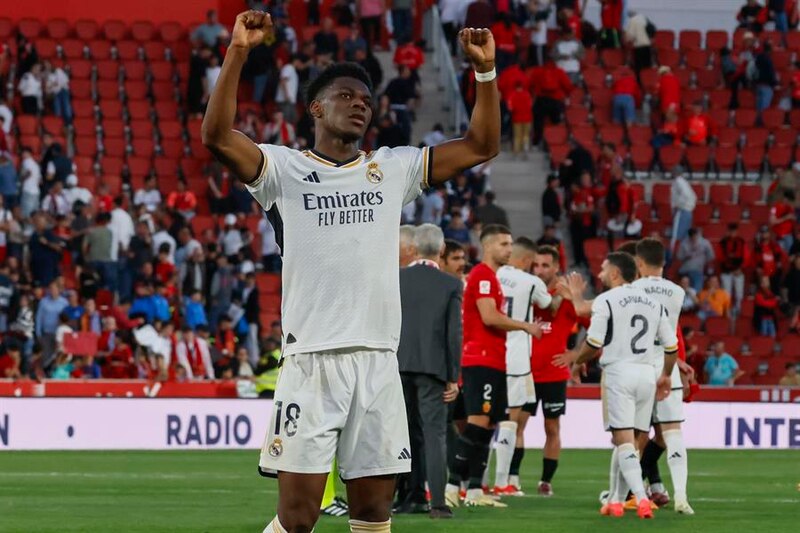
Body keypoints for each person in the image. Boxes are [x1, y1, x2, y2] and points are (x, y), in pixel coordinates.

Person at [200, 11, 501, 532]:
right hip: (310, 361)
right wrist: (238, 52)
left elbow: (481, 146)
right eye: (346, 96)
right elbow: (217, 136)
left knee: (372, 513)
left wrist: (486, 74)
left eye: (366, 100)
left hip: (378, 361)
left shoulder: (393, 168)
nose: (360, 104)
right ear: (316, 107)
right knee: (297, 518)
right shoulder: (283, 170)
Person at [556, 252, 678, 519]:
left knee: (622, 440)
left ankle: (642, 499)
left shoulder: (607, 300)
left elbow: (594, 342)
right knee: (633, 441)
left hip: (619, 373)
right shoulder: (653, 303)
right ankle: (615, 500)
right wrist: (666, 375)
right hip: (647, 374)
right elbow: (672, 346)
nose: (599, 275)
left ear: (615, 274)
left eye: (602, 270)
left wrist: (577, 361)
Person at [445, 225, 541, 508]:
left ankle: (475, 490)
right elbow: (488, 316)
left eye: (511, 243)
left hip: (495, 360)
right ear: (488, 247)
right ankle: (452, 486)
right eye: (503, 243)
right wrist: (525, 326)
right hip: (481, 359)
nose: (509, 248)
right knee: (477, 423)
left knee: (488, 426)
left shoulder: (493, 278)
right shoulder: (482, 275)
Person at [395, 224, 463, 519]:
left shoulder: (395, 278)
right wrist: (453, 376)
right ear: (442, 250)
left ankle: (395, 498)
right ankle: (437, 503)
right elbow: (453, 335)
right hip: (433, 368)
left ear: (414, 248)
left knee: (399, 435)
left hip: (397, 366)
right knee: (435, 435)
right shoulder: (450, 284)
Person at [632, 239, 694, 515]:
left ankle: (632, 494)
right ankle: (681, 496)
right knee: (672, 433)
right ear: (664, 263)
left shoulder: (630, 290)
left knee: (633, 435)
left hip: (638, 366)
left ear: (639, 263)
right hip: (667, 365)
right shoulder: (678, 292)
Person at [493, 237, 551, 496]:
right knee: (510, 420)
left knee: (481, 420)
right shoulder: (531, 282)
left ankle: (468, 482)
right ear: (527, 260)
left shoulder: (490, 274)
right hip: (516, 358)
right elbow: (547, 303)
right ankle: (502, 481)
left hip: (490, 355)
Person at [677, 228, 715, 293]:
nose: (693, 238)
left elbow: (711, 256)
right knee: (685, 290)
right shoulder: (684, 243)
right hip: (686, 270)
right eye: (691, 236)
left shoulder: (705, 243)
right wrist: (686, 257)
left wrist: (703, 262)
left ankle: (695, 300)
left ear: (697, 234)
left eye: (694, 236)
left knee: (697, 290)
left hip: (698, 269)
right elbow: (679, 257)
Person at [624, 10, 653, 82]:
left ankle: (640, 83)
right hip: (647, 46)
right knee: (647, 67)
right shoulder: (643, 18)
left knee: (639, 68)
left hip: (639, 47)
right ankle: (648, 81)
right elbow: (652, 29)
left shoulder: (632, 21)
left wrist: (626, 39)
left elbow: (630, 35)